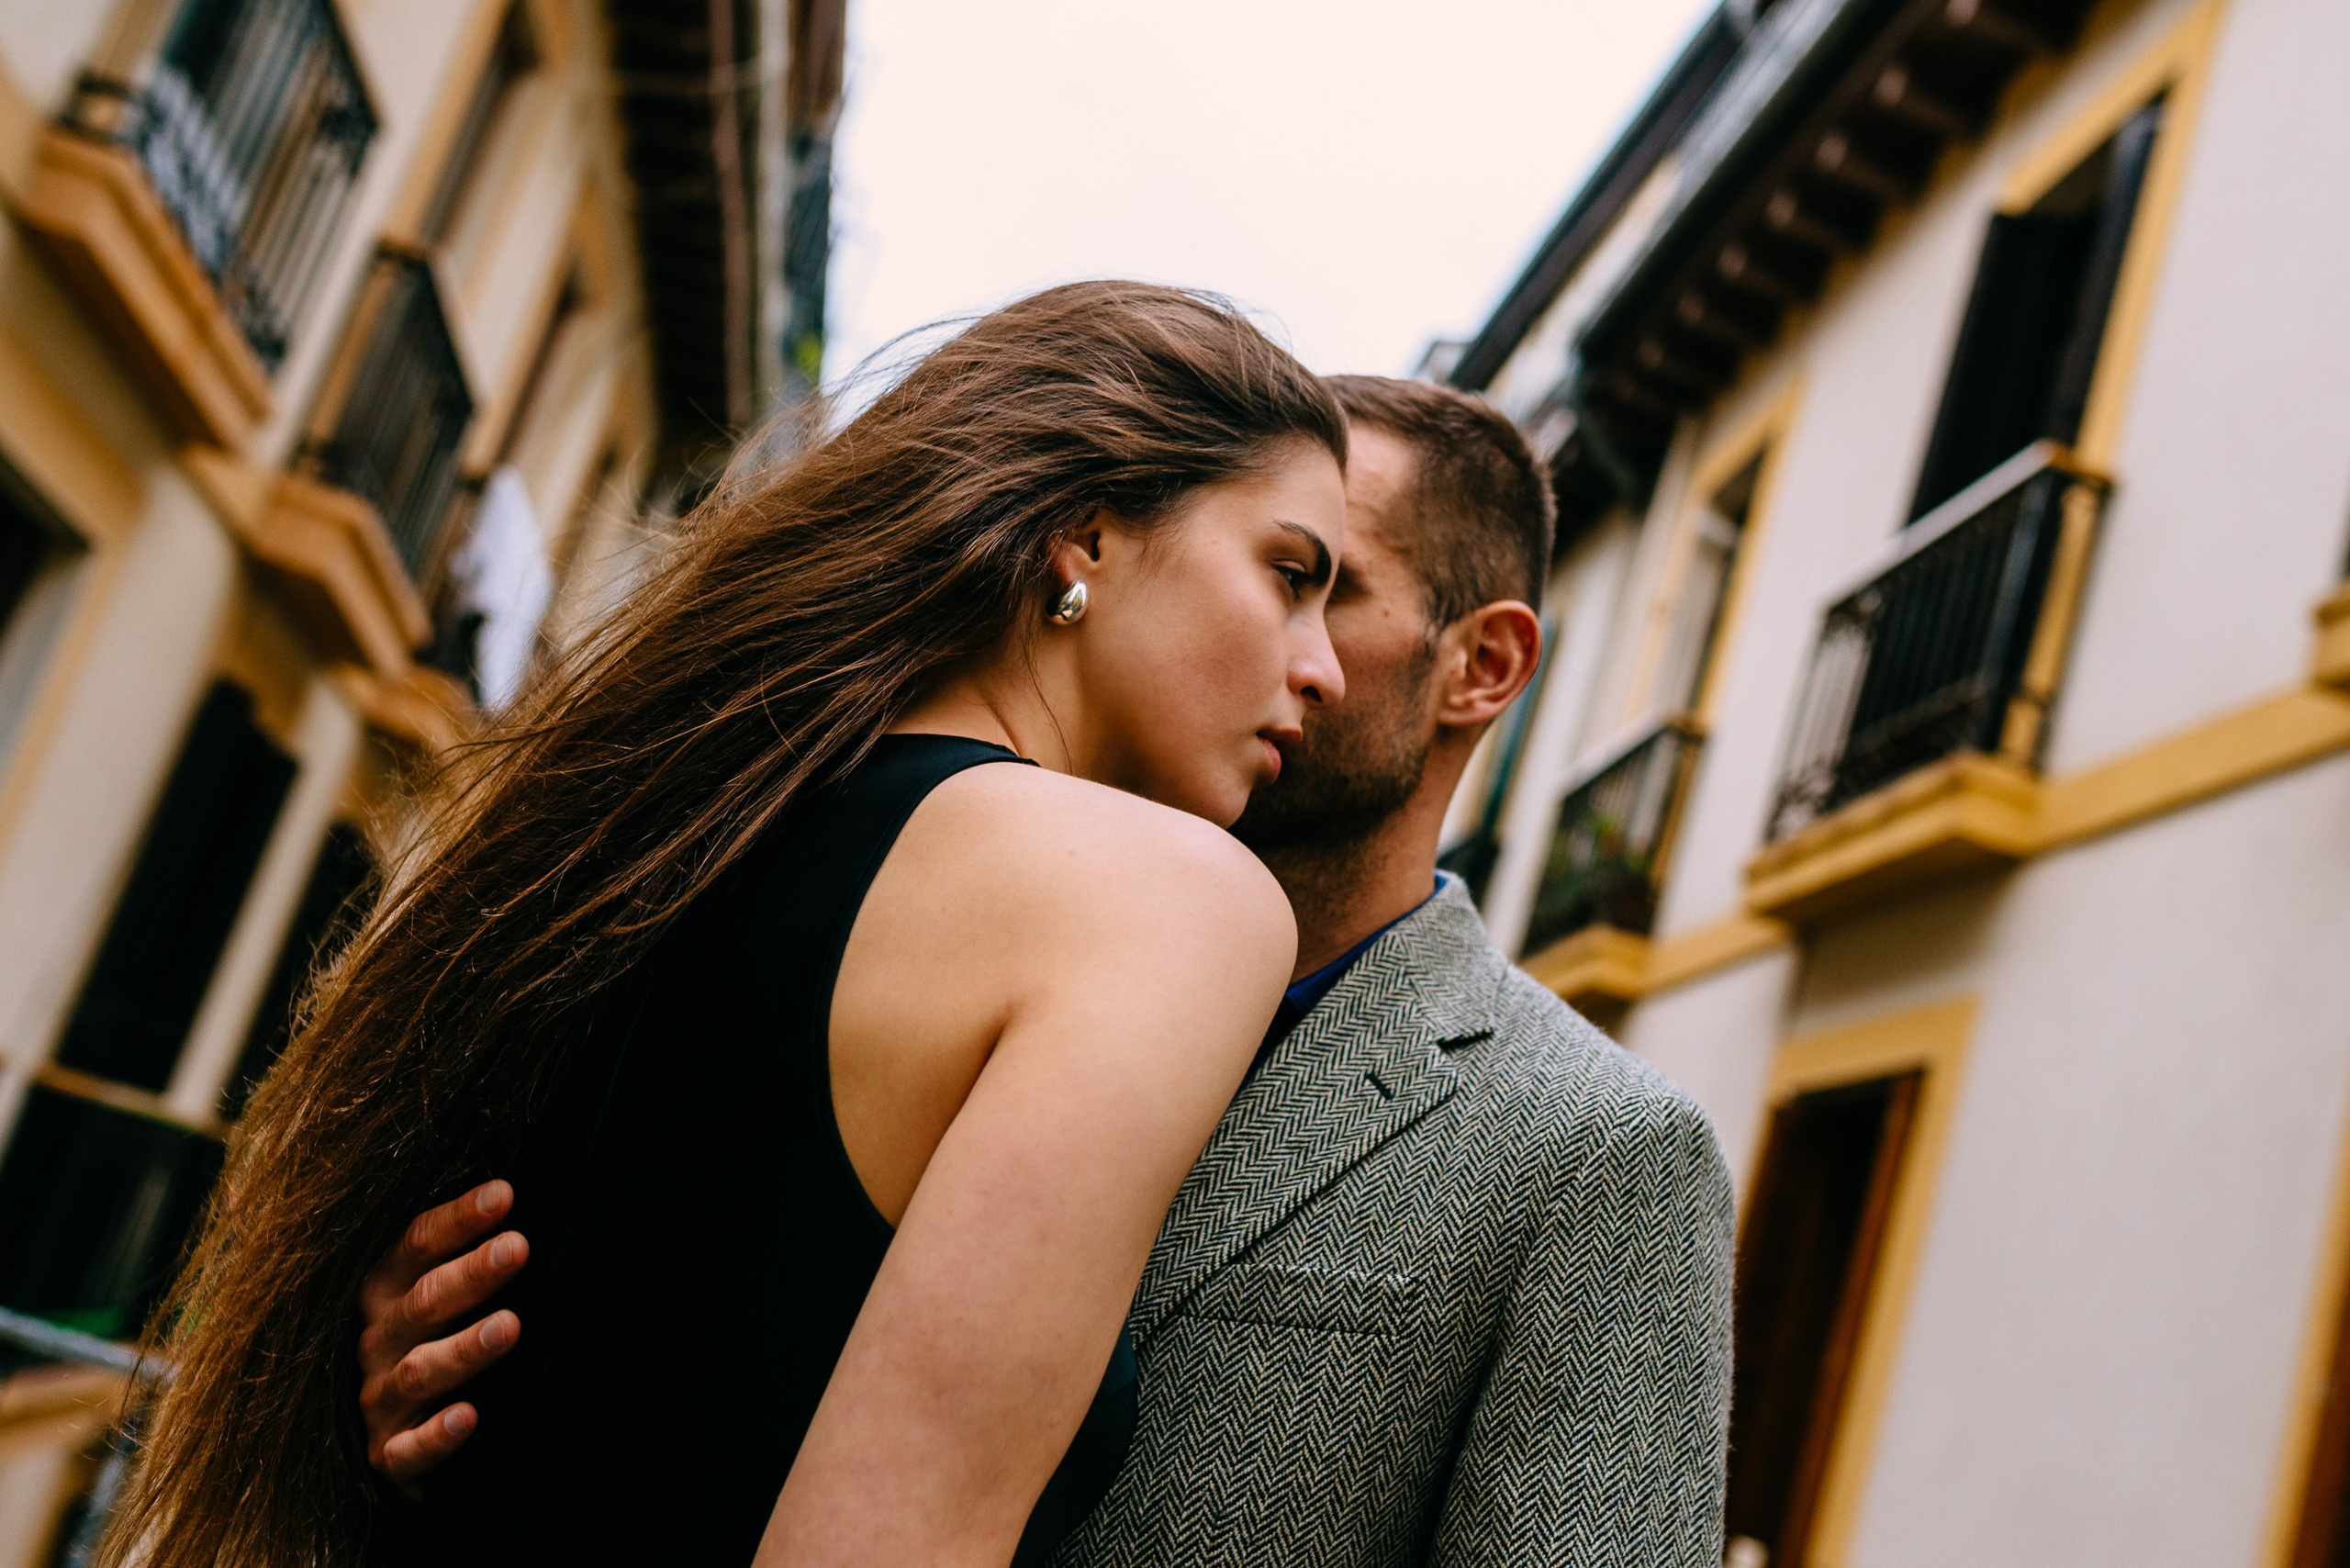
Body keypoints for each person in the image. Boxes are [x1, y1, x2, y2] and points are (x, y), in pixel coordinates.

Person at [358, 375, 1737, 1564]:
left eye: (1337, 587)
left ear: (1482, 666)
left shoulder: (1596, 1158)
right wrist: (446, 1377)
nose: (1296, 656)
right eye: (1281, 574)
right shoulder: (910, 916)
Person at [98, 282, 1360, 1568]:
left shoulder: (649, 828)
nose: (1324, 667)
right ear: (1084, 539)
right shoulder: (1163, 903)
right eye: (1292, 574)